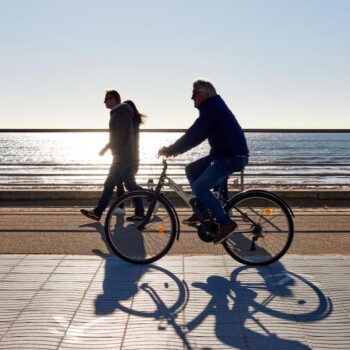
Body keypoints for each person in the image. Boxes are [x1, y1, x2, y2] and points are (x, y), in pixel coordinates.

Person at [158, 79, 249, 245]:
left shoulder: (212, 109)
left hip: (232, 156)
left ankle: (226, 223)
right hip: (222, 155)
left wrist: (171, 150)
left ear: (205, 94)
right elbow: (196, 134)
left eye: (194, 94)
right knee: (192, 170)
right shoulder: (212, 108)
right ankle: (203, 211)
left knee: (199, 187)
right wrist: (174, 150)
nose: (192, 98)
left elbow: (195, 135)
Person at [80, 90, 144, 221]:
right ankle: (140, 213)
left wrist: (114, 151)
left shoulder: (119, 113)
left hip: (121, 156)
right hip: (128, 155)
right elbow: (119, 136)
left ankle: (98, 212)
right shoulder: (122, 113)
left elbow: (118, 137)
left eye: (106, 99)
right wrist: (106, 148)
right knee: (130, 184)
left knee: (109, 183)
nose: (104, 102)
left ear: (114, 99)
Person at [101, 100, 146, 214]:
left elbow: (120, 139)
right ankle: (141, 207)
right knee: (129, 183)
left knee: (121, 182)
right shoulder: (132, 122)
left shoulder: (130, 123)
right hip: (131, 157)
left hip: (128, 158)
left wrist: (109, 148)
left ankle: (118, 208)